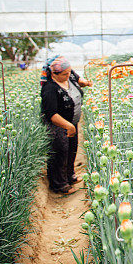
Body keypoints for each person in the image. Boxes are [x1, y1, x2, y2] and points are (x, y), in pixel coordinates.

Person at [40, 56, 93, 194]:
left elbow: (77, 81)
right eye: (65, 74)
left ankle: (70, 176)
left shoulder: (69, 78)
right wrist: (68, 126)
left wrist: (85, 83)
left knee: (71, 150)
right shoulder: (49, 89)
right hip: (58, 127)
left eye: (70, 72)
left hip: (71, 123)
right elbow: (51, 114)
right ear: (54, 74)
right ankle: (59, 184)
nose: (69, 75)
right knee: (60, 153)